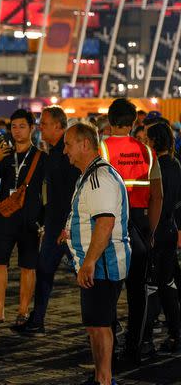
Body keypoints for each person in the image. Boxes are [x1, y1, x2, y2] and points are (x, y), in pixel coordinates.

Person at [62, 122, 130, 385]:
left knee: (100, 325)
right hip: (98, 264)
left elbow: (105, 222)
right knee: (95, 324)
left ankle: (104, 379)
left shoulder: (97, 178)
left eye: (68, 144)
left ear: (85, 144)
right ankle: (101, 377)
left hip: (102, 264)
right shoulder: (91, 175)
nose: (65, 150)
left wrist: (89, 262)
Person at [99, 98, 162, 363]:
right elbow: (157, 196)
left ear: (109, 121)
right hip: (140, 224)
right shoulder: (147, 152)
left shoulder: (101, 149)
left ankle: (108, 349)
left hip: (111, 224)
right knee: (137, 291)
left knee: (108, 291)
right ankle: (134, 348)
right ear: (135, 121)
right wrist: (151, 232)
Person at [14, 106, 81, 335]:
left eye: (44, 123)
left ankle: (107, 320)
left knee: (83, 274)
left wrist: (67, 225)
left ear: (58, 126)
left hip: (68, 225)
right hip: (55, 224)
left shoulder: (66, 151)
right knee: (44, 270)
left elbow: (71, 192)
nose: (40, 127)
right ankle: (37, 319)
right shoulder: (54, 151)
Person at [0, 109, 46, 326]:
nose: (17, 131)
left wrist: (45, 221)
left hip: (30, 219)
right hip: (4, 216)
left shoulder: (41, 157)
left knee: (28, 266)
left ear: (32, 128)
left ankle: (23, 312)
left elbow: (47, 192)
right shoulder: (5, 155)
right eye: (13, 126)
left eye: (22, 126)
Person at [143, 121, 181, 353]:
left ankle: (145, 335)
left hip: (157, 230)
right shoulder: (176, 164)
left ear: (155, 141)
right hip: (170, 228)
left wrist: (150, 231)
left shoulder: (156, 167)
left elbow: (156, 200)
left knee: (153, 286)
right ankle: (175, 333)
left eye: (148, 139)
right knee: (167, 283)